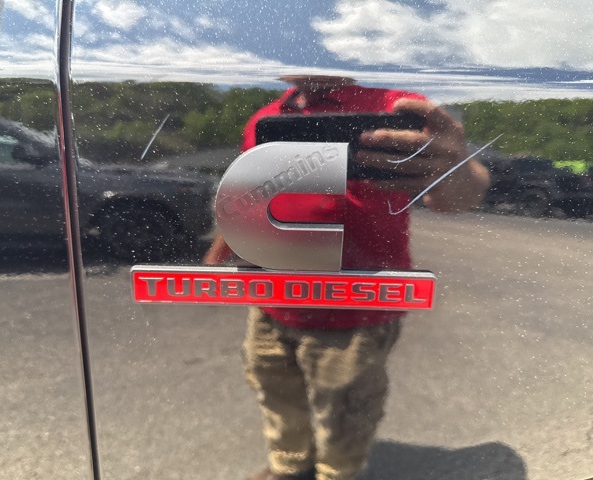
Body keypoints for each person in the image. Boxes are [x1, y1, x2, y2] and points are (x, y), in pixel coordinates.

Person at [204, 75, 490, 480]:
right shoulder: (266, 117)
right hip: (272, 298)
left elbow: (461, 195)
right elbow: (248, 196)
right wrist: (219, 253)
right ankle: (288, 465)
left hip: (354, 307)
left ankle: (337, 473)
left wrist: (457, 169)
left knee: (346, 409)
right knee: (274, 390)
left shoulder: (396, 107)